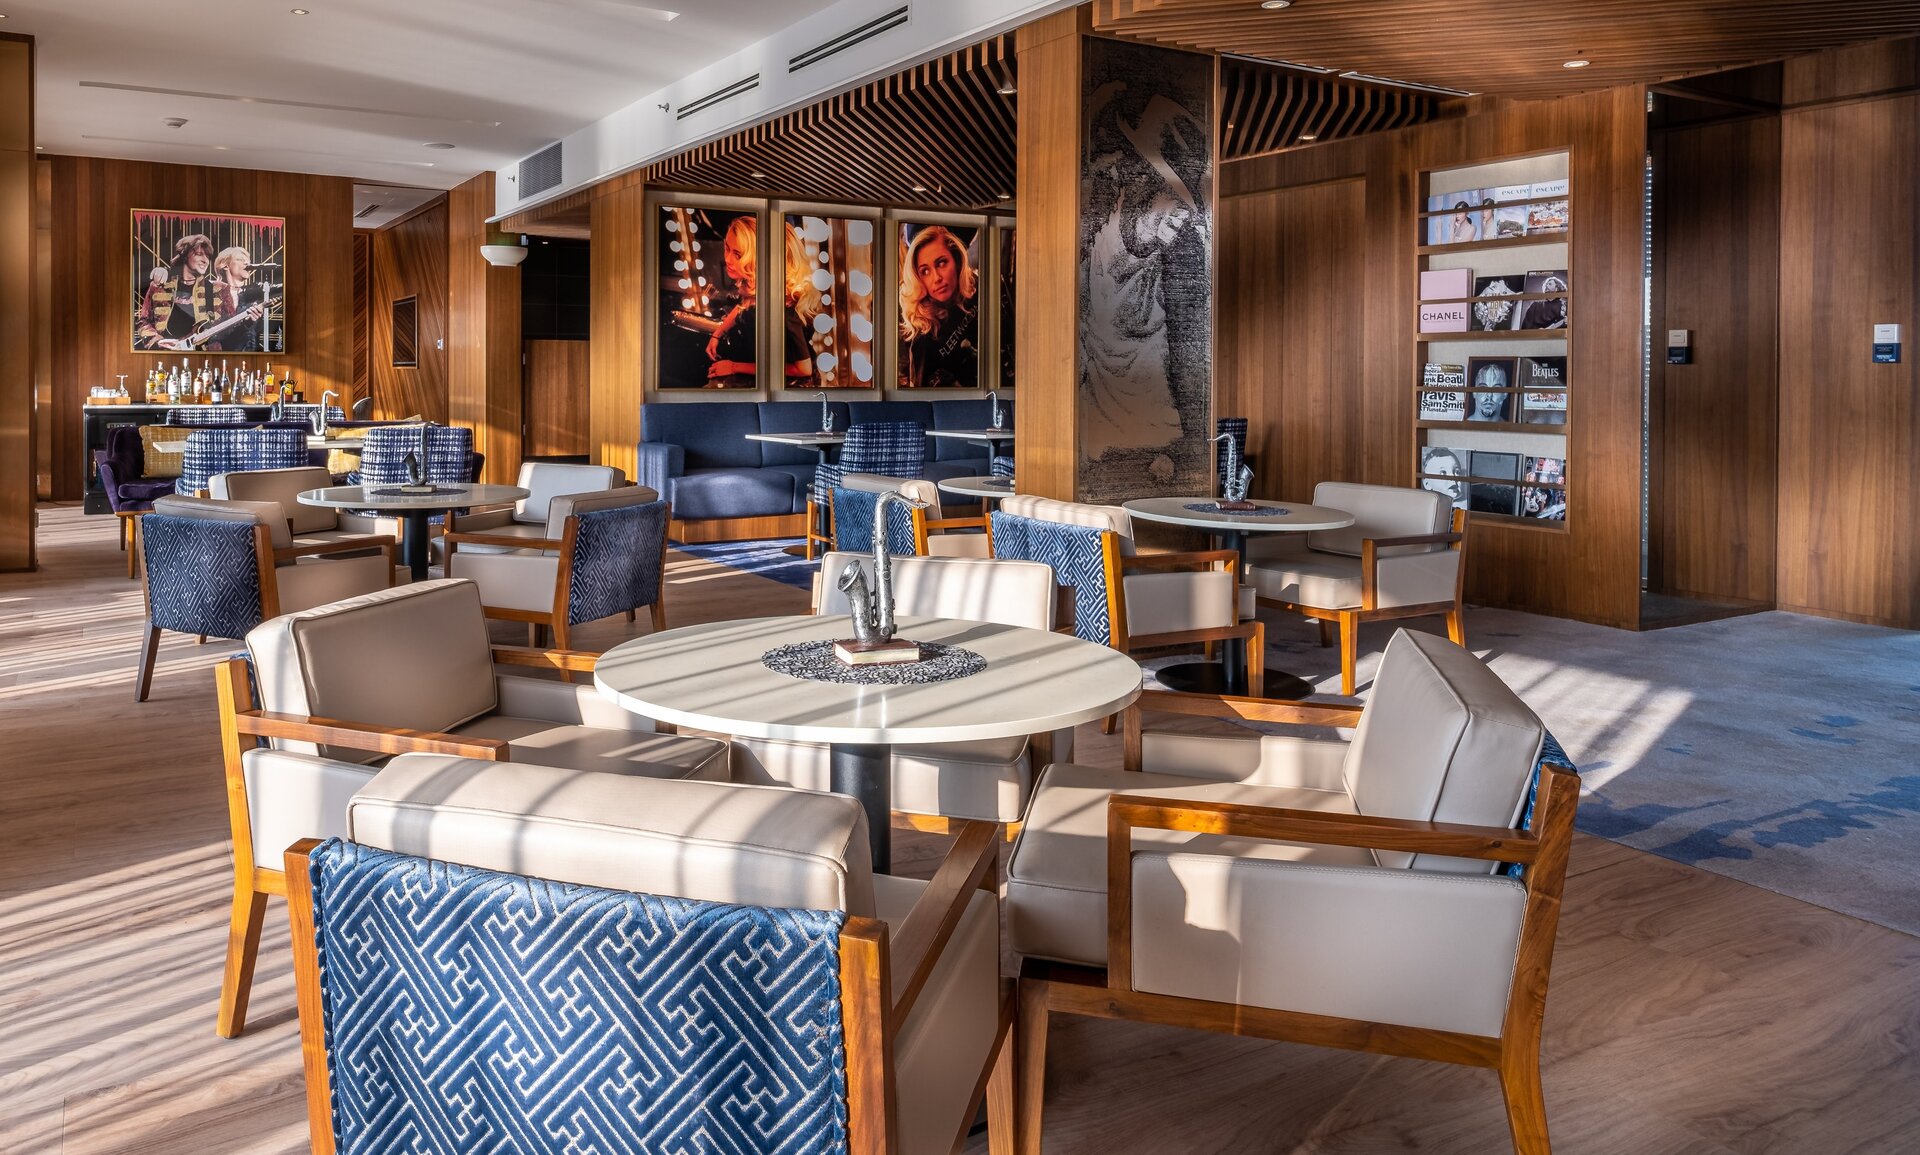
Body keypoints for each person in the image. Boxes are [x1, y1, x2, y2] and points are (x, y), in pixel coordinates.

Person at [1079, 91, 1204, 471]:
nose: (1179, 219)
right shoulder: (1097, 243)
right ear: (1141, 185)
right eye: (1172, 203)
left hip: (1156, 436)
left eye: (1184, 209)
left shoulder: (1175, 258)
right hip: (1104, 439)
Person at [702, 216, 817, 388]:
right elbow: (744, 305)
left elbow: (803, 369)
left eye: (738, 254)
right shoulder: (757, 282)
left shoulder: (784, 311)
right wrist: (718, 332)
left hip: (788, 384)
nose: (728, 259)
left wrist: (733, 367)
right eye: (727, 248)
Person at [897, 224, 978, 388]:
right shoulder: (924, 337)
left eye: (941, 263)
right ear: (918, 279)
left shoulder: (978, 287)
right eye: (925, 271)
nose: (936, 278)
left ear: (956, 260)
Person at [135, 233, 221, 351]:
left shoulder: (215, 289)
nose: (205, 260)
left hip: (201, 355)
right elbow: (143, 321)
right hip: (165, 354)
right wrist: (157, 341)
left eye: (208, 256)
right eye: (199, 254)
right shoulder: (160, 285)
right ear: (185, 255)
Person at [210, 247, 268, 352]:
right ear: (225, 266)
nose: (247, 263)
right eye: (240, 259)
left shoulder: (253, 296)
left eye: (248, 260)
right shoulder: (210, 292)